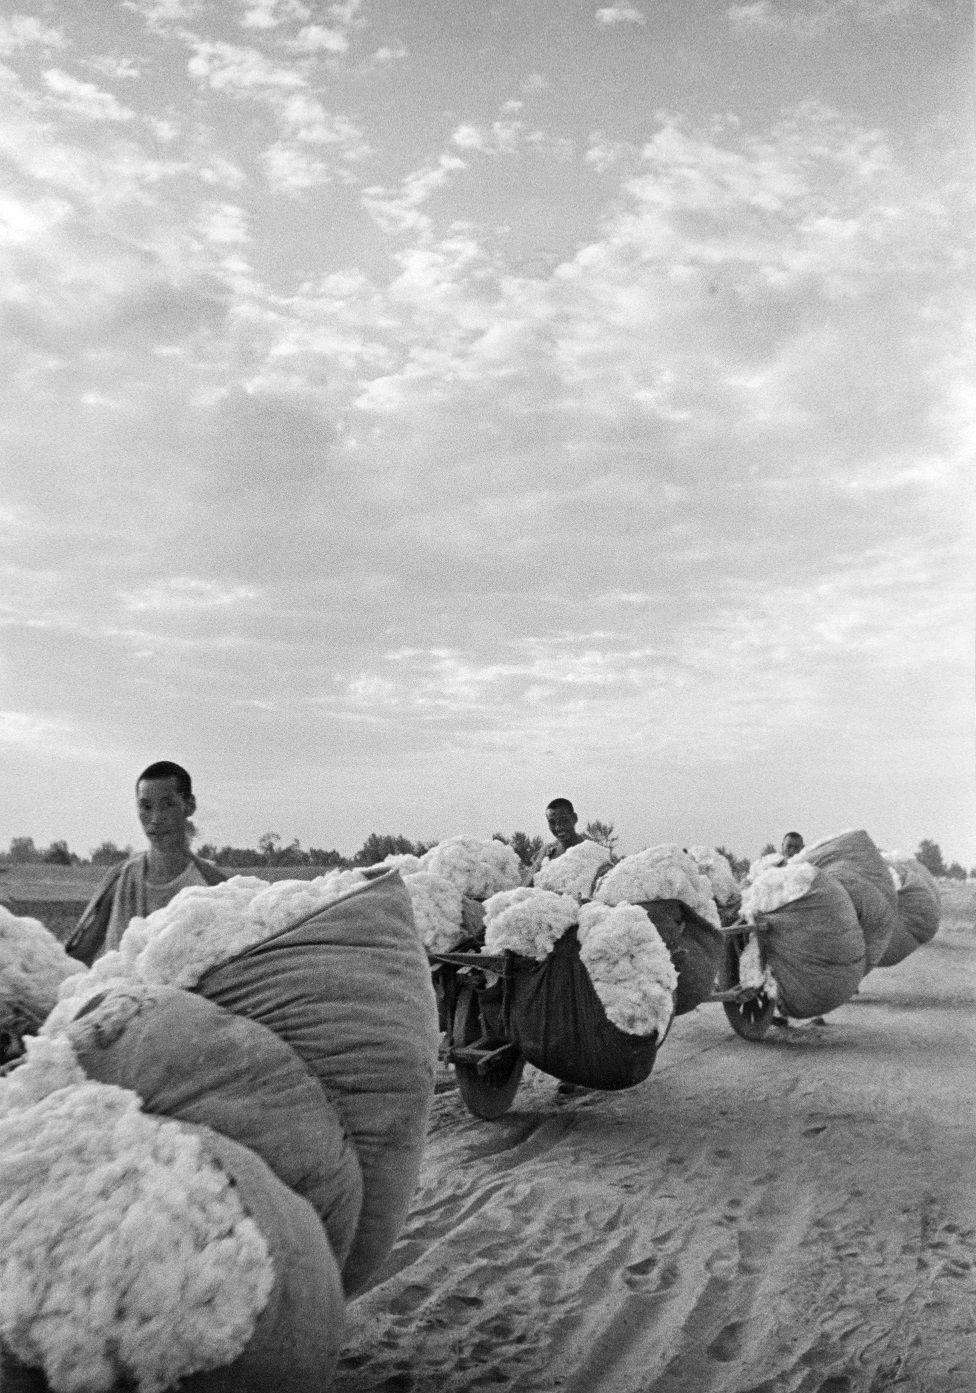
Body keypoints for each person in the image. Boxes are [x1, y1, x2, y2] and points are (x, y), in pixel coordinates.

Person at [67, 761, 226, 965]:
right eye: (146, 806)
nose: (156, 819)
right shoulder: (121, 878)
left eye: (168, 804)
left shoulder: (215, 886)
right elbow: (79, 955)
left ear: (189, 805)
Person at [531, 797, 585, 874]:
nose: (558, 827)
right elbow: (525, 885)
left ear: (574, 818)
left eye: (564, 820)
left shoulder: (591, 851)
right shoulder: (546, 852)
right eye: (552, 822)